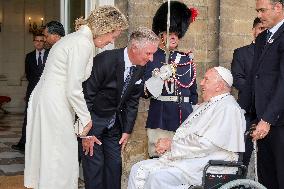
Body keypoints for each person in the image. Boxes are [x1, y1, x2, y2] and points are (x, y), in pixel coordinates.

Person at [24, 6, 128, 189]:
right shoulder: (82, 43)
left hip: (50, 100)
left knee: (54, 156)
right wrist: (87, 121)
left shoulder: (75, 38)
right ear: (104, 29)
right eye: (113, 36)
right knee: (60, 158)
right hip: (56, 102)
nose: (111, 42)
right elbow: (73, 88)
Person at [128, 67, 246, 189]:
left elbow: (206, 143)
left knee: (159, 177)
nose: (201, 83)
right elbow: (189, 133)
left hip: (211, 163)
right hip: (195, 157)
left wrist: (172, 146)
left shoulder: (228, 108)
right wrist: (170, 144)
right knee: (137, 169)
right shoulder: (209, 104)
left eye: (206, 79)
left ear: (219, 86)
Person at [81, 27, 159, 189]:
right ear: (134, 48)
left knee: (114, 167)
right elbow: (86, 95)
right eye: (148, 53)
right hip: (93, 124)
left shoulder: (140, 66)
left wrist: (127, 130)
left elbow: (132, 100)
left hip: (115, 126)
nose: (151, 59)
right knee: (95, 170)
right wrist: (86, 133)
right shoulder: (105, 60)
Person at [144, 1, 198, 158]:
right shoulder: (151, 57)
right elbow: (145, 92)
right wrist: (161, 75)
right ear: (161, 34)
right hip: (161, 118)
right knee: (158, 160)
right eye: (170, 33)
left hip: (185, 119)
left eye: (177, 33)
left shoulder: (186, 59)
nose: (174, 37)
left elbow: (192, 94)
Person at [251, 0, 284, 188]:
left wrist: (268, 119)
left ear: (277, 7)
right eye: (258, 11)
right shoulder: (263, 38)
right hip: (262, 121)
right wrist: (243, 113)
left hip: (278, 122)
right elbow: (253, 79)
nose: (259, 16)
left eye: (262, 10)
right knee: (266, 178)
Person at [231, 17, 266, 167]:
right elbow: (237, 78)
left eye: (265, 29)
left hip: (268, 113)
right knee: (243, 153)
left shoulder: (275, 53)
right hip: (248, 111)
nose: (262, 32)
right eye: (260, 29)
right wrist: (258, 92)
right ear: (253, 30)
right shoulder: (241, 53)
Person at [11, 33, 49, 152]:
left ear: (45, 42)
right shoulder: (29, 56)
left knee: (46, 116)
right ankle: (23, 143)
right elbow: (28, 74)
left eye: (41, 41)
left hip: (48, 91)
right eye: (36, 40)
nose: (38, 42)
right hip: (32, 90)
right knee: (28, 117)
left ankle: (44, 143)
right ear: (33, 42)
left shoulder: (51, 54)